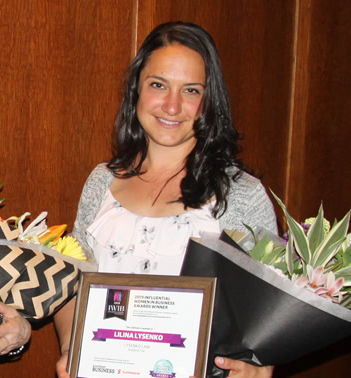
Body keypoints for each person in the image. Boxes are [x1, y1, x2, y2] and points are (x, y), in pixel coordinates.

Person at [54, 21, 276, 378]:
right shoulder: (102, 181)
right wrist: (71, 348)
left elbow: (265, 310)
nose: (172, 106)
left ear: (209, 101)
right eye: (158, 85)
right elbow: (73, 283)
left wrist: (258, 365)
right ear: (136, 90)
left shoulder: (240, 194)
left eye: (191, 90)